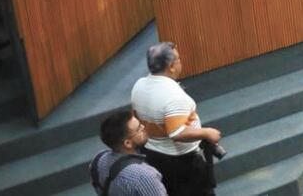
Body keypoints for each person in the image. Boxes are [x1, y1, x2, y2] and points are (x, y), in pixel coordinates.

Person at [131, 42, 222, 196]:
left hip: (153, 155)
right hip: (182, 163)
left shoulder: (139, 85)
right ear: (171, 66)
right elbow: (177, 133)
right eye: (178, 59)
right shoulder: (173, 96)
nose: (181, 62)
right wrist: (206, 133)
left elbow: (136, 117)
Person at [89, 110, 168, 195]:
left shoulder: (97, 160)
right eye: (138, 129)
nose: (143, 127)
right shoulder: (144, 176)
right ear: (128, 143)